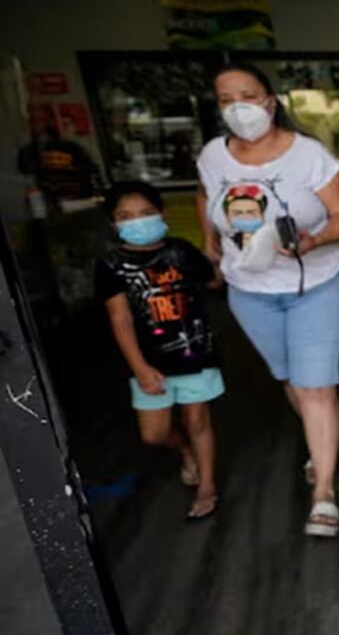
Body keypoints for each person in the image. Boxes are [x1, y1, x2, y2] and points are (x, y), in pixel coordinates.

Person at [195, 62, 339, 538]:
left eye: (248, 95)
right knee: (291, 377)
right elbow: (204, 194)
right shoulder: (211, 155)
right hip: (251, 293)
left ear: (270, 101)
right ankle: (318, 441)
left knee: (316, 386)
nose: (238, 107)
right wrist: (209, 241)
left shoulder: (306, 154)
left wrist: (312, 241)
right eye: (226, 99)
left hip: (314, 286)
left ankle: (323, 492)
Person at [95, 183, 222, 519]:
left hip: (194, 353)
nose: (137, 221)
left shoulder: (181, 251)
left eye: (146, 213)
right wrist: (139, 368)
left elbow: (213, 281)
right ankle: (186, 452)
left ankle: (207, 485)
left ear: (161, 214)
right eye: (126, 216)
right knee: (155, 434)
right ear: (114, 223)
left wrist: (220, 257)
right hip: (149, 362)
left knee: (198, 421)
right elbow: (119, 318)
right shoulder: (111, 265)